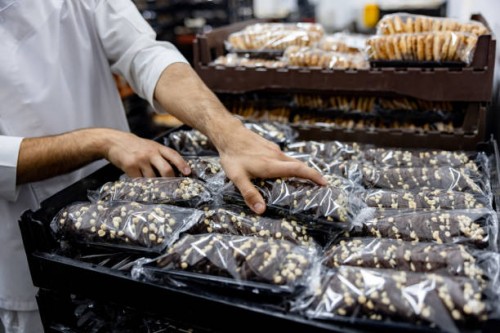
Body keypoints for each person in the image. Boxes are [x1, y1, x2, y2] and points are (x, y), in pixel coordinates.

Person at [0, 1, 325, 331]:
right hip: (25, 248)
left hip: (130, 210)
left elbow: (145, 53)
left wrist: (227, 132)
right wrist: (98, 140)